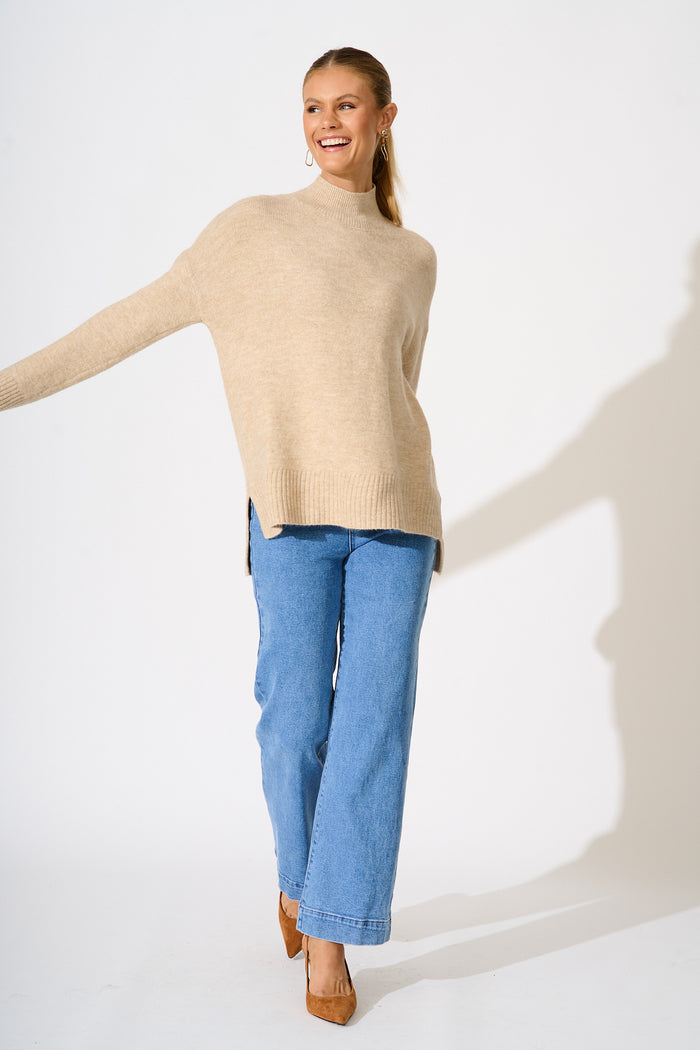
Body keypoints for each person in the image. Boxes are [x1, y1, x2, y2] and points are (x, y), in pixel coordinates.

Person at [0, 46, 442, 1024]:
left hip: (399, 518)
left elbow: (396, 392)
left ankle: (327, 936)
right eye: (313, 107)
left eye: (347, 106)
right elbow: (122, 324)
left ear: (384, 118)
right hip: (288, 517)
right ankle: (301, 879)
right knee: (294, 719)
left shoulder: (413, 257)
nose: (328, 123)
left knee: (373, 726)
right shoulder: (250, 230)